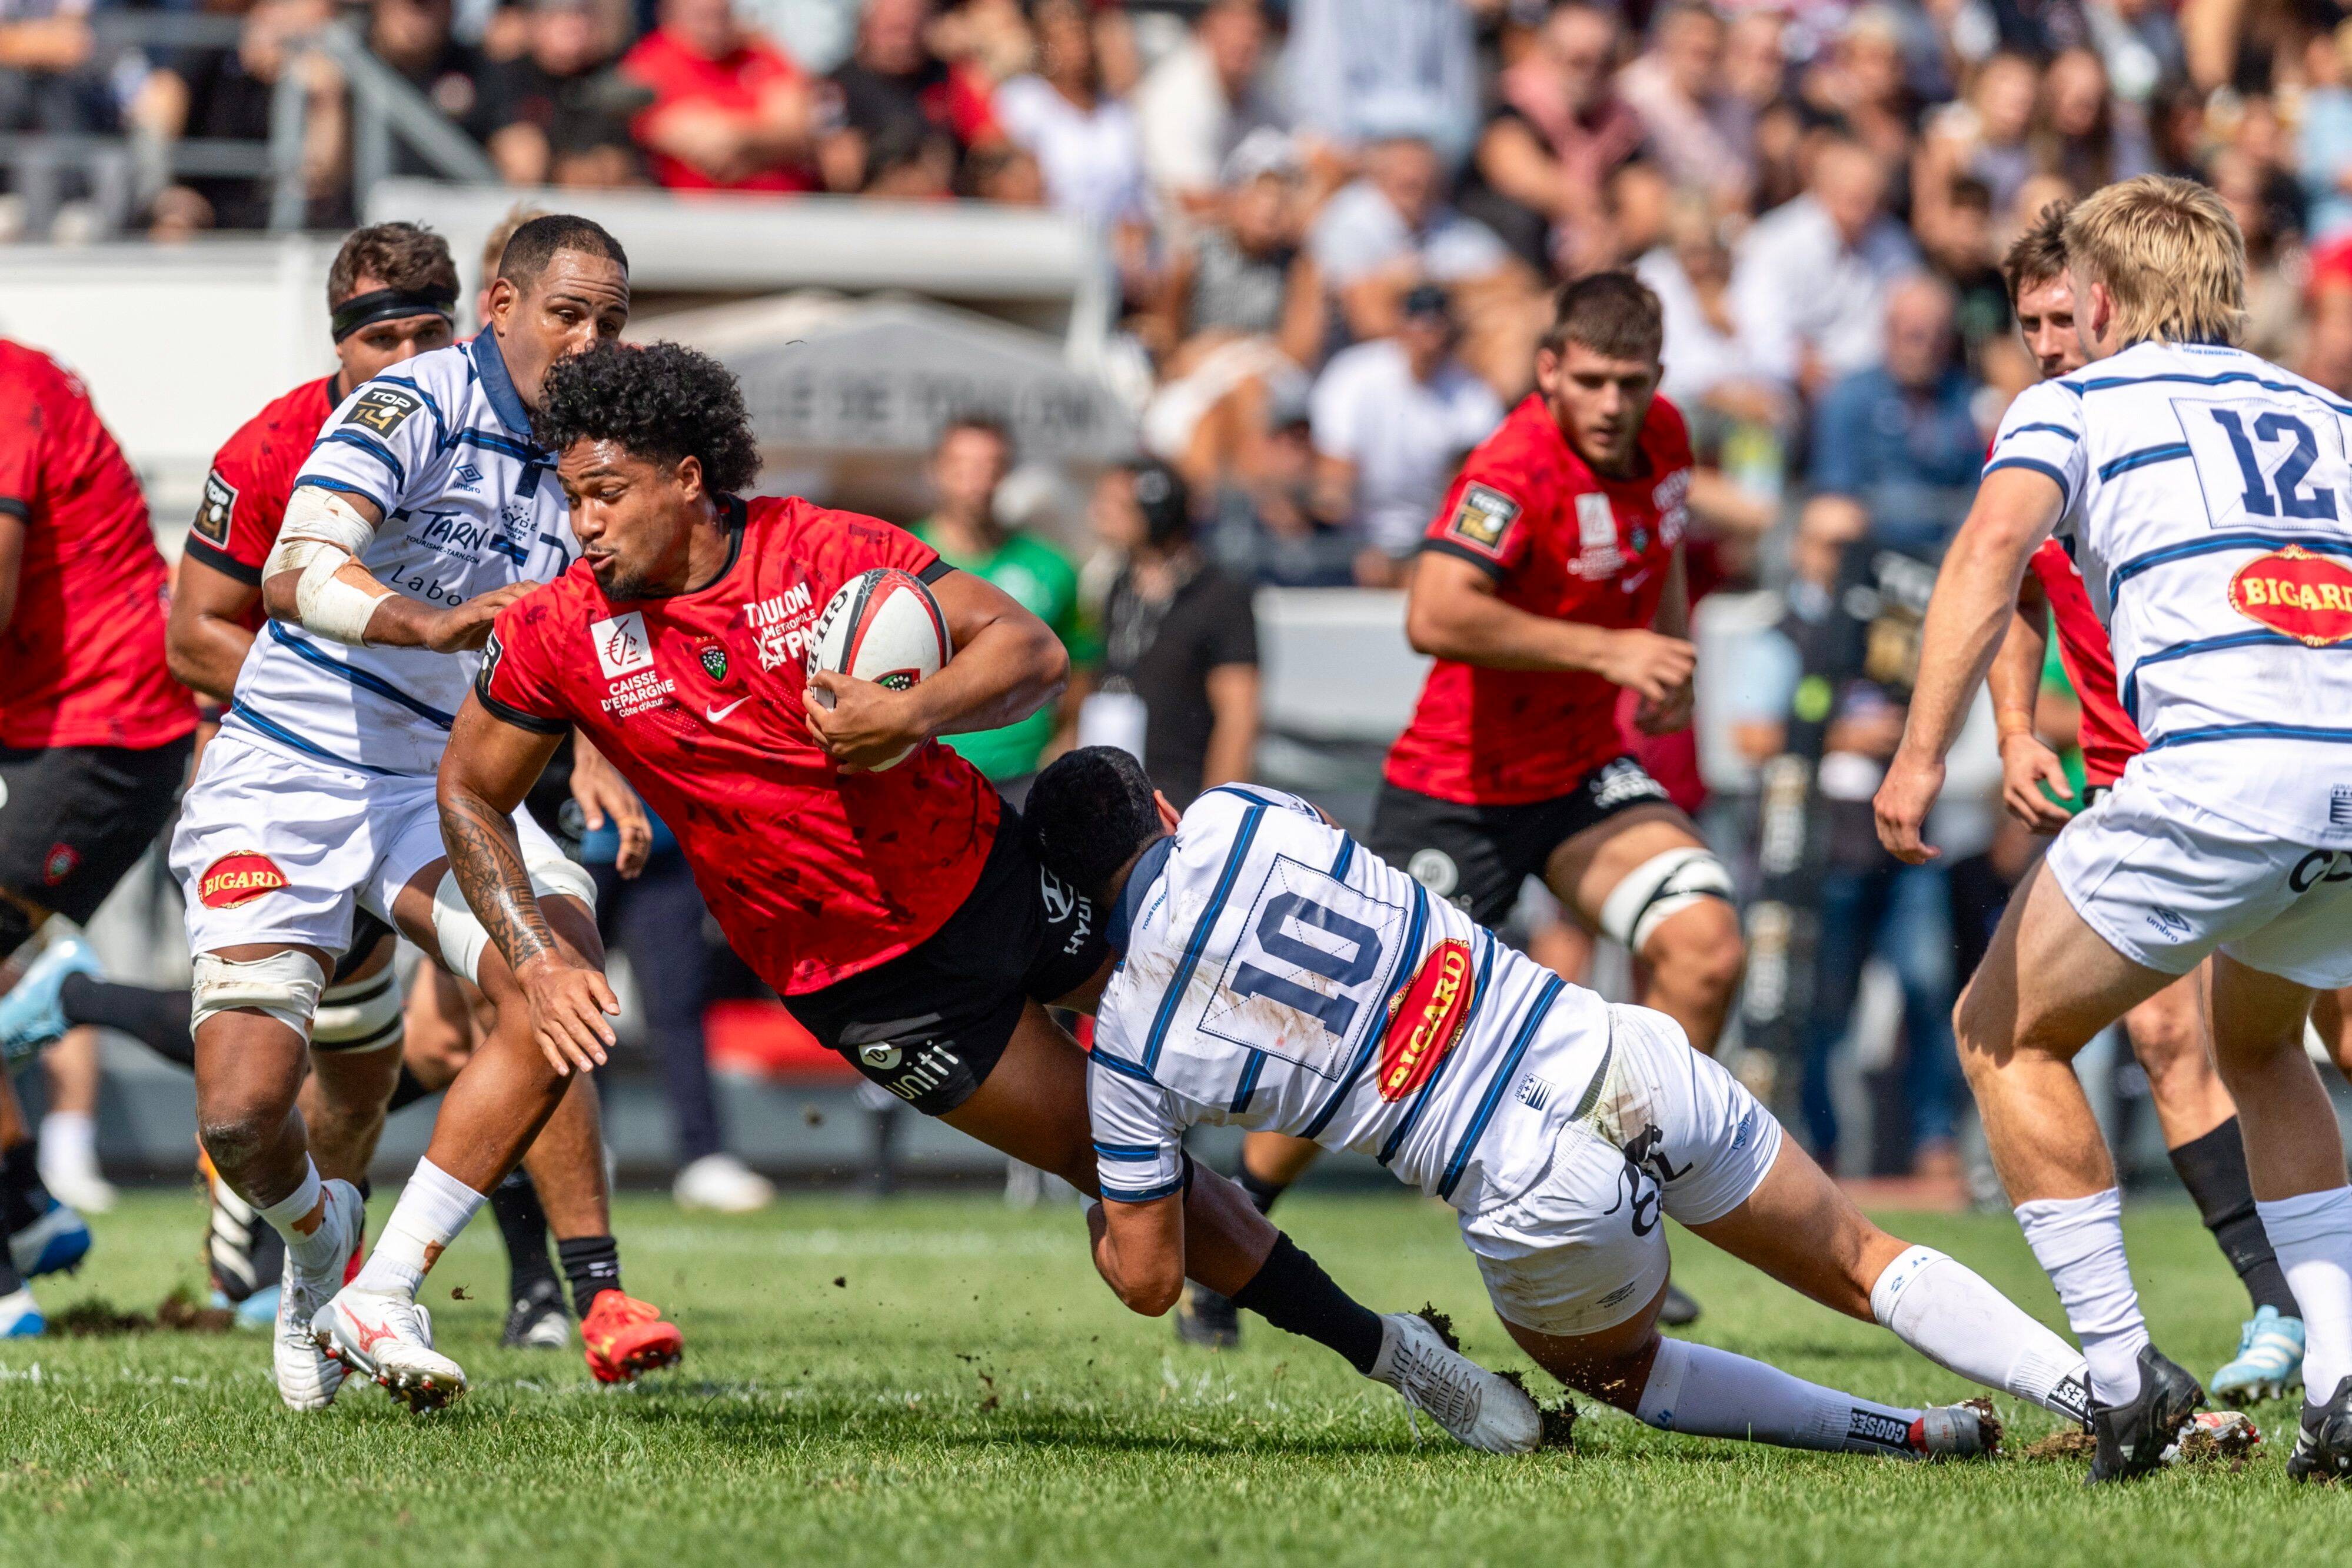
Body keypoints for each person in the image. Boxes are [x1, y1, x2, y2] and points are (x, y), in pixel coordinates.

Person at [448, 338, 1543, 1452]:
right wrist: (533, 951)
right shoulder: (560, 628)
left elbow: (1026, 651)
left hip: (994, 879)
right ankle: (1400, 1355)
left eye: (605, 493)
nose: (582, 523)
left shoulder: (822, 551)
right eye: (570, 496)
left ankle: (1496, 1149)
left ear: (688, 477)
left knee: (1263, 1028)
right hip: (874, 987)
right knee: (1133, 1224)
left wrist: (908, 716)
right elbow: (467, 793)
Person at [1029, 745, 2096, 1462]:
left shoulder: (1127, 1048)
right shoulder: (1240, 812)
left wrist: (1104, 1226)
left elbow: (1151, 1277)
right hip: (1606, 1048)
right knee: (1864, 1258)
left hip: (1522, 1185)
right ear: (1163, 810)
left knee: (1626, 1377)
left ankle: (1905, 1434)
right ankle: (2105, 1396)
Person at [0, 222, 584, 1347]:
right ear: (338, 345)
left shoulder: (519, 437)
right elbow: (201, 636)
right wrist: (367, 665)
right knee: (265, 1084)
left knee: (497, 1008)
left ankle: (496, 1289)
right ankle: (190, 1229)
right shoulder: (275, 444)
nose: (407, 354)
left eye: (429, 330)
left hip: (440, 776)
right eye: (383, 338)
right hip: (283, 778)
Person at [1876, 175, 2352, 1482]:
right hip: (2346, 779)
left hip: (2217, 772)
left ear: (2105, 295)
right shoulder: (2325, 407)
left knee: (2003, 1031)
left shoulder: (2073, 402)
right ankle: (2345, 1370)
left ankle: (2123, 1371)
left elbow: (1988, 555)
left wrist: (1923, 753)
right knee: (2260, 1042)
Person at [174, 214, 677, 1415]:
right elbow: (295, 573)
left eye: (612, 318)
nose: (593, 338)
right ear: (501, 308)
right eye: (570, 313)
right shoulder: (411, 405)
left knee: (562, 972)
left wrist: (605, 741)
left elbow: (609, 619)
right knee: (244, 1115)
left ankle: (386, 1283)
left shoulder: (596, 449)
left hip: (434, 788)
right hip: (282, 776)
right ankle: (317, 1248)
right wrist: (429, 622)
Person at [1978, 199, 2307, 1406]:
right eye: (2031, 323)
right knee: (2174, 1038)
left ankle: (2293, 1308)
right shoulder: (2052, 433)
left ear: (2112, 299)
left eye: (2069, 314)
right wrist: (2015, 728)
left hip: (2235, 757)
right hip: (2142, 775)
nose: (2053, 339)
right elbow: (2008, 586)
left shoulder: (2170, 424)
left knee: (2296, 1037)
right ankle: (2281, 1301)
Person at [0, 335, 201, 1335]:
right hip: (44, 721)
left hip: (105, 729)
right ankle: (25, 1214)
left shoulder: (6, 391)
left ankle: (7, 1267)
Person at [909, 417, 1090, 807]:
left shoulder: (1052, 567)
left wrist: (1066, 739)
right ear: (936, 471)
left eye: (990, 467)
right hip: (924, 777)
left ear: (1006, 473)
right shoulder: (900, 562)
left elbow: (1081, 661)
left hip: (1023, 777)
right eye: (963, 466)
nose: (977, 481)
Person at [1084, 460, 1260, 812]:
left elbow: (1238, 718)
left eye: (1117, 505)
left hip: (1178, 795)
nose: (1099, 513)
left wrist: (1218, 814)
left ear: (1156, 512)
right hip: (1110, 794)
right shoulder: (1117, 586)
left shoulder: (1219, 594)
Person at [1309, 284, 1503, 585]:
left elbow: (1473, 493)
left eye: (1437, 326)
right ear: (1400, 326)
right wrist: (1358, 548)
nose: (1428, 336)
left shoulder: (1473, 397)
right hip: (1352, 540)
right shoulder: (1353, 375)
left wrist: (1434, 557)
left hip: (1431, 541)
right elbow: (1333, 484)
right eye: (1419, 323)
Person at [621, 0, 820, 193]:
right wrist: (763, 137)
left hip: (783, 207)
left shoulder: (762, 53)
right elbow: (659, 131)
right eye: (702, 15)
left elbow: (797, 131)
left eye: (722, 14)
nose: (713, 25)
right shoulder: (649, 62)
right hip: (688, 211)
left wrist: (732, 133)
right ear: (671, 12)